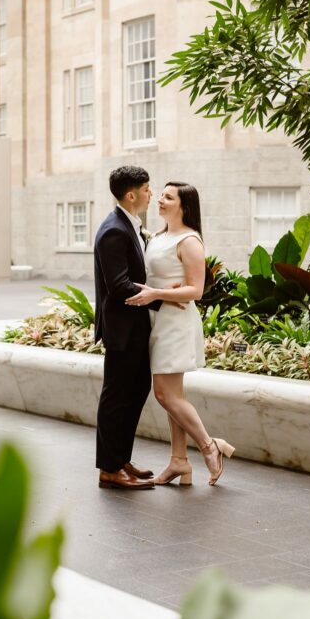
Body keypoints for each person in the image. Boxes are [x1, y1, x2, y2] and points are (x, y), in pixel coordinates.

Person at [126, 182, 235, 486]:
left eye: (168, 197)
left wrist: (159, 293)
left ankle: (210, 446)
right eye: (160, 195)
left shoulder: (190, 241)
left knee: (164, 393)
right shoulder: (160, 237)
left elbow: (196, 290)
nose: (160, 200)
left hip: (175, 323)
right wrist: (161, 290)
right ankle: (179, 462)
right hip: (157, 320)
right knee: (174, 395)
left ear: (184, 206)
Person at [93, 165, 162, 490]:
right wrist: (162, 298)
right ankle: (109, 470)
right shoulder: (114, 230)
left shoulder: (129, 225)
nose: (151, 194)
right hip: (122, 329)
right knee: (117, 397)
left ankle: (121, 459)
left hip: (135, 326)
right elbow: (119, 286)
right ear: (132, 194)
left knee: (136, 391)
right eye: (147, 189)